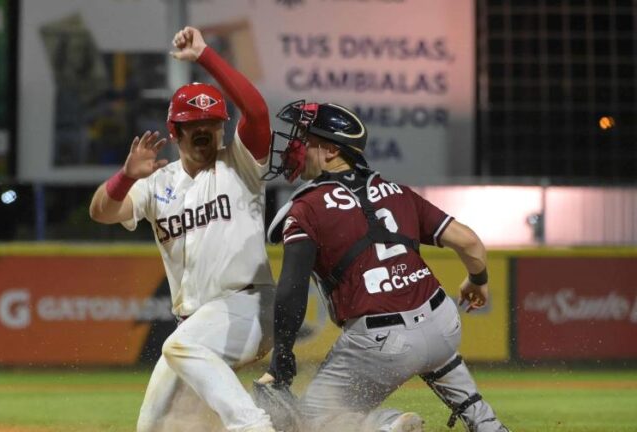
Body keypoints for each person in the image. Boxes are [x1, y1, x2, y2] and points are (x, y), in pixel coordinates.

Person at [256, 101, 510, 432]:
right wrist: (478, 280)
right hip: (442, 319)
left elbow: (292, 290)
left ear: (331, 150)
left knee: (310, 423)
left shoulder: (306, 208)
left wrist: (282, 355)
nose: (294, 146)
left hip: (381, 339)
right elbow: (471, 244)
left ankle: (386, 426)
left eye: (304, 138)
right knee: (433, 348)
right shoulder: (399, 192)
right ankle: (485, 422)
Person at [89, 27, 276, 432]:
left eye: (214, 122)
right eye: (195, 124)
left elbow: (258, 112)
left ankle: (252, 425)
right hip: (195, 325)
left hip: (248, 307)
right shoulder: (155, 183)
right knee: (152, 426)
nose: (206, 130)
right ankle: (372, 425)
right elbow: (101, 212)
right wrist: (124, 176)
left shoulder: (240, 164)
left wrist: (206, 54)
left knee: (180, 345)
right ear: (175, 132)